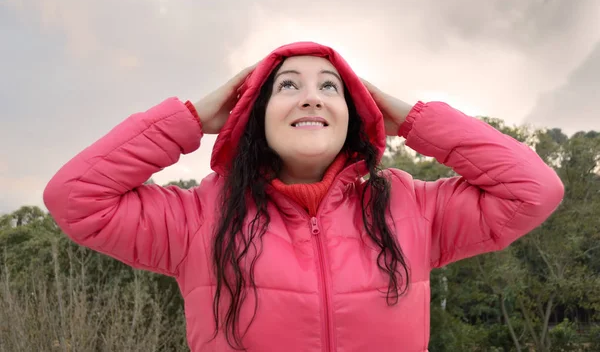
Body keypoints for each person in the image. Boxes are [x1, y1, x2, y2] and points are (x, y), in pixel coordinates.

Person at [43, 41, 564, 352]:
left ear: (356, 113)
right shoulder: (197, 217)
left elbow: (533, 189)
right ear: (253, 116)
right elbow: (76, 198)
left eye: (332, 87)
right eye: (287, 86)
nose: (311, 95)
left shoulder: (413, 208)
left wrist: (412, 119)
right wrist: (193, 118)